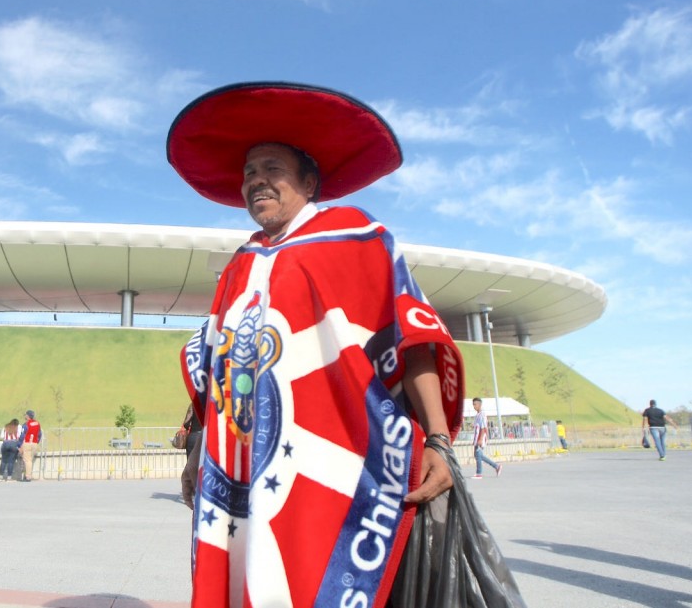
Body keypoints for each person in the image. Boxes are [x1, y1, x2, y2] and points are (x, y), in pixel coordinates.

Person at [167, 82, 465, 607]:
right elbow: (219, 370)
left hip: (340, 463)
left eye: (271, 169)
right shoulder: (238, 265)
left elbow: (410, 339)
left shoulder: (358, 238)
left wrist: (439, 440)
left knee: (315, 580)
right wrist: (197, 453)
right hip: (244, 469)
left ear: (309, 181)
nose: (255, 181)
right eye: (248, 173)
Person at [471, 397, 503, 479]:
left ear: (479, 405)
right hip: (477, 438)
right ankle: (496, 466)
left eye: (475, 404)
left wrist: (481, 439)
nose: (474, 406)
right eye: (473, 405)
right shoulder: (477, 415)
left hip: (480, 438)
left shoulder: (482, 415)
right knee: (478, 455)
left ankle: (479, 473)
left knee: (478, 455)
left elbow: (483, 428)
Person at [18, 410, 42, 481]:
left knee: (27, 460)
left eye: (25, 415)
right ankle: (27, 475)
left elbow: (22, 435)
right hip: (34, 443)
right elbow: (39, 434)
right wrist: (36, 441)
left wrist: (19, 445)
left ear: (28, 416)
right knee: (30, 460)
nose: (25, 416)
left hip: (27, 443)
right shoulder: (37, 423)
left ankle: (28, 476)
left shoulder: (26, 424)